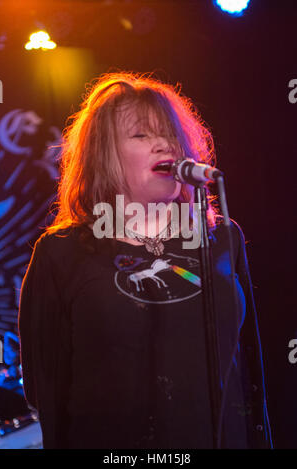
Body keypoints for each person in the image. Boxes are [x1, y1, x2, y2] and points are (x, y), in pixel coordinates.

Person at [18, 71, 273, 449]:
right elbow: (45, 388)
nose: (163, 145)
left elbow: (249, 372)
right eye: (141, 134)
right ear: (103, 155)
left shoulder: (222, 238)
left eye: (169, 134)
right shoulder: (61, 252)